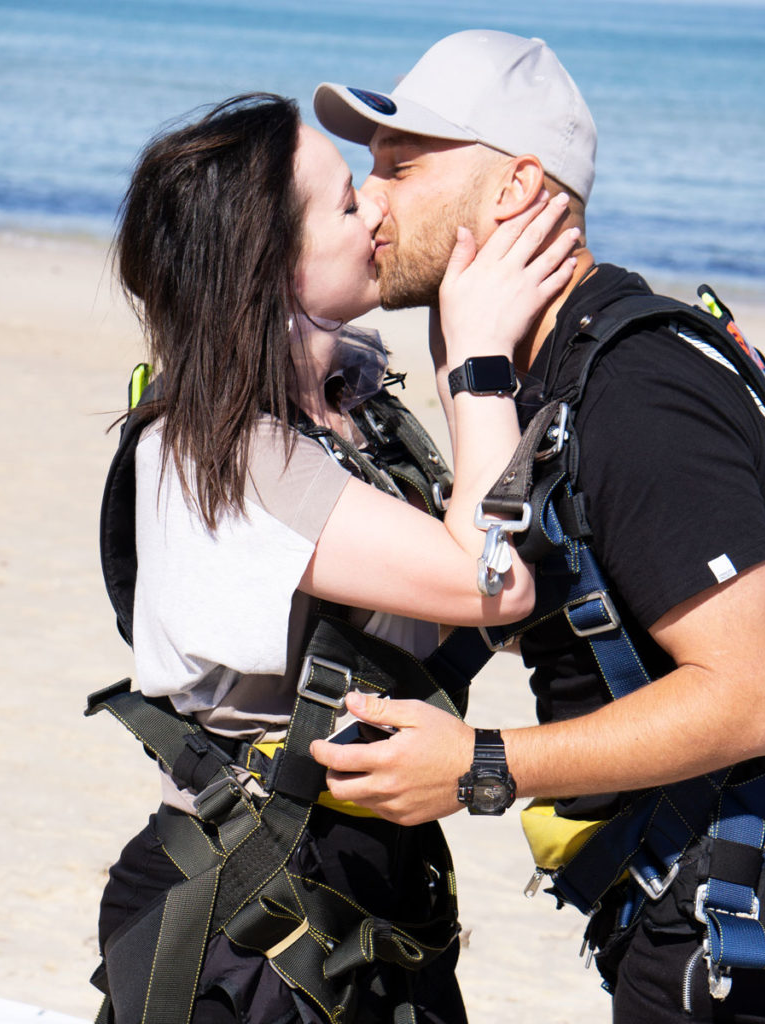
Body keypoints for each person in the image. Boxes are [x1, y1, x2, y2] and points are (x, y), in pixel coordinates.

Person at [310, 30, 765, 1023]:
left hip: (742, 909)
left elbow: (752, 698)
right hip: (699, 890)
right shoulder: (539, 373)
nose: (368, 195)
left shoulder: (635, 392)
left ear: (516, 188)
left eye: (401, 164)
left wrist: (480, 767)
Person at [89, 92, 580, 1024]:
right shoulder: (223, 451)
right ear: (271, 262)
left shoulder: (348, 414)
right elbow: (492, 580)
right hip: (252, 921)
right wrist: (476, 360)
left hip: (358, 896)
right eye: (350, 204)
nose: (380, 214)